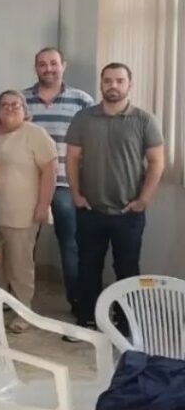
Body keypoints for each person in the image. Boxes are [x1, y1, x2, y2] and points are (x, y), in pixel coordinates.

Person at [66, 62, 164, 328]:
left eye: (120, 81)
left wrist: (144, 200)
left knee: (127, 269)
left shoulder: (144, 120)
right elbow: (72, 158)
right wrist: (76, 194)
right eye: (108, 80)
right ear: (101, 83)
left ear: (129, 84)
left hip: (128, 212)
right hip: (90, 209)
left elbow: (157, 161)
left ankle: (126, 323)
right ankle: (87, 318)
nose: (113, 86)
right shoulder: (83, 118)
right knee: (88, 267)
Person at [22, 47, 94, 325]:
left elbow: (92, 143)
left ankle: (78, 302)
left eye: (53, 63)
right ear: (35, 67)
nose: (48, 68)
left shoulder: (82, 100)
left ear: (64, 65)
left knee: (71, 244)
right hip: (29, 184)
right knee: (24, 244)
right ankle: (19, 300)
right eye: (42, 64)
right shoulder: (22, 99)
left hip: (66, 183)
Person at [0, 90, 57, 333]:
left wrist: (43, 205)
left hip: (23, 212)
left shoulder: (36, 134)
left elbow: (50, 172)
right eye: (5, 104)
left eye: (16, 104)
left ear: (25, 109)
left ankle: (23, 312)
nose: (10, 108)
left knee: (20, 266)